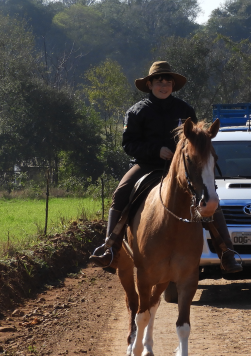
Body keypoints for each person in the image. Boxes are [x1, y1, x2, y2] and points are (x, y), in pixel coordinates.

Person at [89, 61, 242, 272]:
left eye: (167, 82)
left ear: (173, 85)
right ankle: (110, 249)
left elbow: (195, 141)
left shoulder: (185, 110)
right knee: (120, 193)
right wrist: (156, 151)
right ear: (150, 84)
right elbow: (128, 144)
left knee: (210, 196)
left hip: (182, 168)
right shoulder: (136, 112)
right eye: (159, 81)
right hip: (146, 166)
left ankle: (226, 251)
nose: (164, 85)